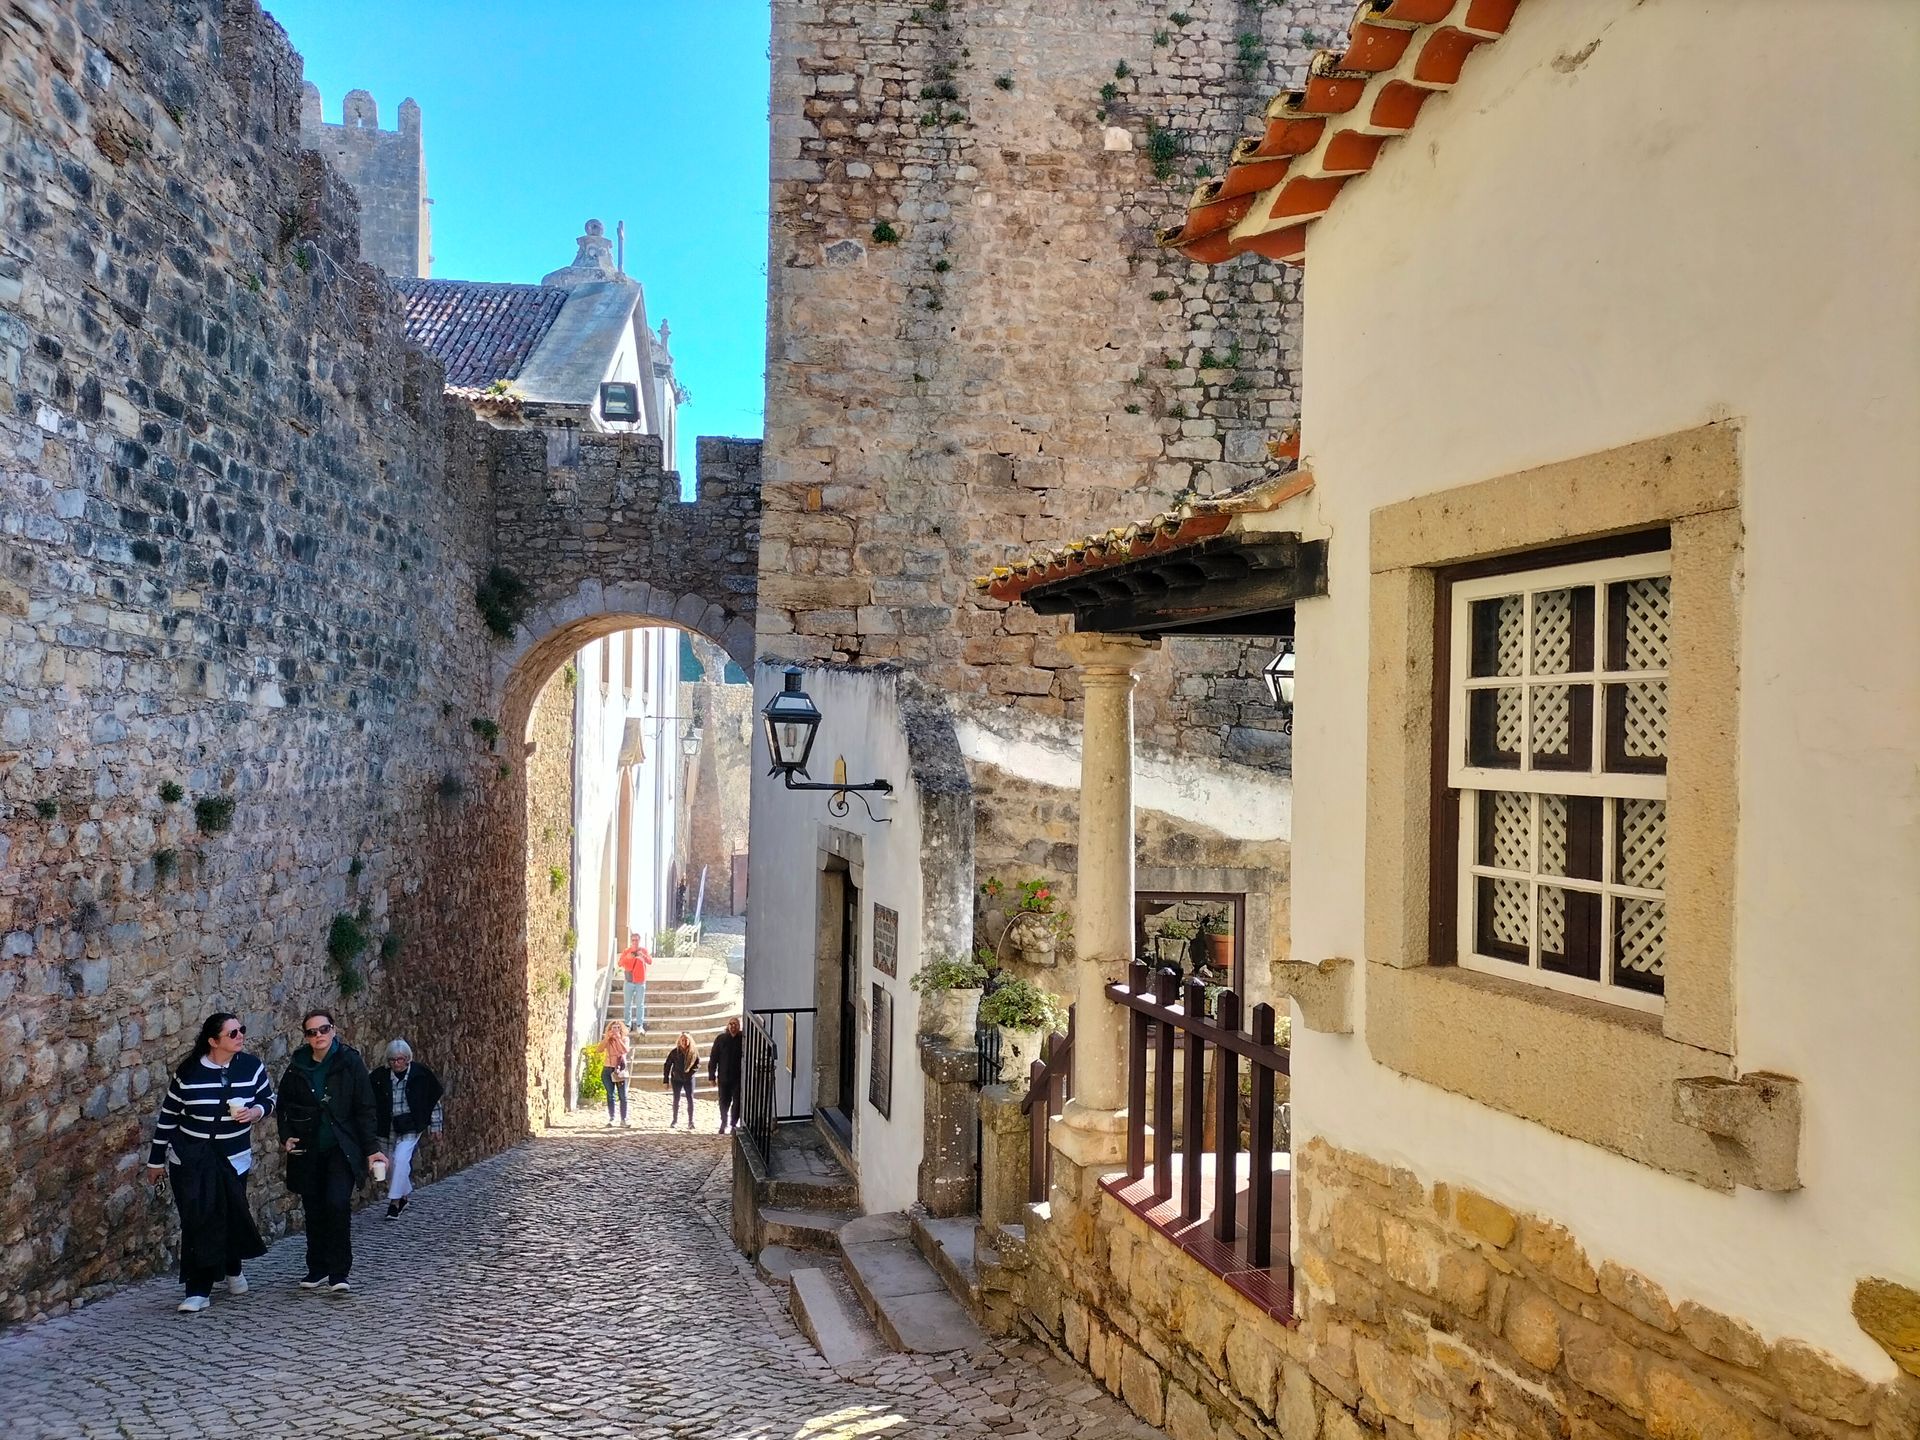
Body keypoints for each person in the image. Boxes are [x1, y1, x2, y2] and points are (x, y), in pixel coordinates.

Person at [144, 1012, 274, 1313]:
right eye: (232, 1033)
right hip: (191, 1157)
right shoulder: (189, 1072)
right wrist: (155, 1161)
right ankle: (198, 1289)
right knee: (197, 1219)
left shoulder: (251, 1067)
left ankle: (232, 1267)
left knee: (229, 1213)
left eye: (241, 1030)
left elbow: (268, 1100)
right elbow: (168, 1117)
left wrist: (255, 1112)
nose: (240, 1036)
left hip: (233, 1157)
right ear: (213, 1041)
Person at [277, 1009, 384, 1293]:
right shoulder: (297, 1067)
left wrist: (372, 1149)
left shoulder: (350, 1062)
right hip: (308, 1147)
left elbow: (365, 1107)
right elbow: (284, 1105)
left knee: (336, 1203)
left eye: (323, 1029)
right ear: (306, 1037)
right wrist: (286, 1137)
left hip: (341, 1147)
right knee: (314, 1208)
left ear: (333, 1030)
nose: (319, 1036)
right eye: (312, 1032)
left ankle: (339, 1271)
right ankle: (318, 1267)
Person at [371, 1038, 443, 1219]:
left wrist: (436, 1126)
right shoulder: (379, 1077)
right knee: (391, 1165)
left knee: (401, 1159)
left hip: (411, 1125)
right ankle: (403, 1197)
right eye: (393, 1060)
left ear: (407, 1058)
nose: (397, 1063)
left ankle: (394, 1203)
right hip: (387, 1127)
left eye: (400, 1059)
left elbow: (433, 1102)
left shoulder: (421, 1075)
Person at [707, 1017, 744, 1135]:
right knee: (723, 1102)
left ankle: (733, 1124)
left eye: (735, 1024)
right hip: (723, 1077)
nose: (733, 1026)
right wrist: (711, 1076)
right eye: (731, 1024)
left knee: (737, 1102)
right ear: (728, 1026)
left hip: (738, 1078)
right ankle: (723, 1122)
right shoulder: (721, 1039)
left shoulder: (743, 1039)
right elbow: (713, 1058)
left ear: (739, 1026)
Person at [664, 1031, 699, 1129]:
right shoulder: (674, 1052)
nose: (684, 1042)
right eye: (682, 1040)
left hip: (689, 1079)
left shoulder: (693, 1052)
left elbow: (697, 1064)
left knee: (690, 1099)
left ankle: (690, 1121)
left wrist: (690, 1073)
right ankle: (674, 1120)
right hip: (677, 1079)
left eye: (686, 1040)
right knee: (676, 1099)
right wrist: (666, 1080)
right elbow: (667, 1065)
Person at [600, 1019, 631, 1128]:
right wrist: (607, 1038)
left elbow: (625, 1050)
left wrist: (618, 1039)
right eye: (614, 1028)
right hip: (607, 1069)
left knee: (623, 1095)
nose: (616, 1029)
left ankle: (623, 1119)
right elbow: (599, 1049)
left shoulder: (625, 1039)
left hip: (619, 1070)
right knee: (610, 1094)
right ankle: (612, 1117)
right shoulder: (608, 1040)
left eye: (618, 1027)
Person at [617, 932, 649, 1031]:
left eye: (636, 940)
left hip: (640, 982)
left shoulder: (643, 950)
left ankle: (639, 1025)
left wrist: (643, 956)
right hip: (629, 981)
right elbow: (619, 963)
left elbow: (650, 961)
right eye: (633, 940)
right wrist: (627, 958)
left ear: (639, 941)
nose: (635, 942)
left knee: (640, 1005)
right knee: (627, 1004)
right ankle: (627, 1024)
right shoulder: (627, 951)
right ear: (631, 941)